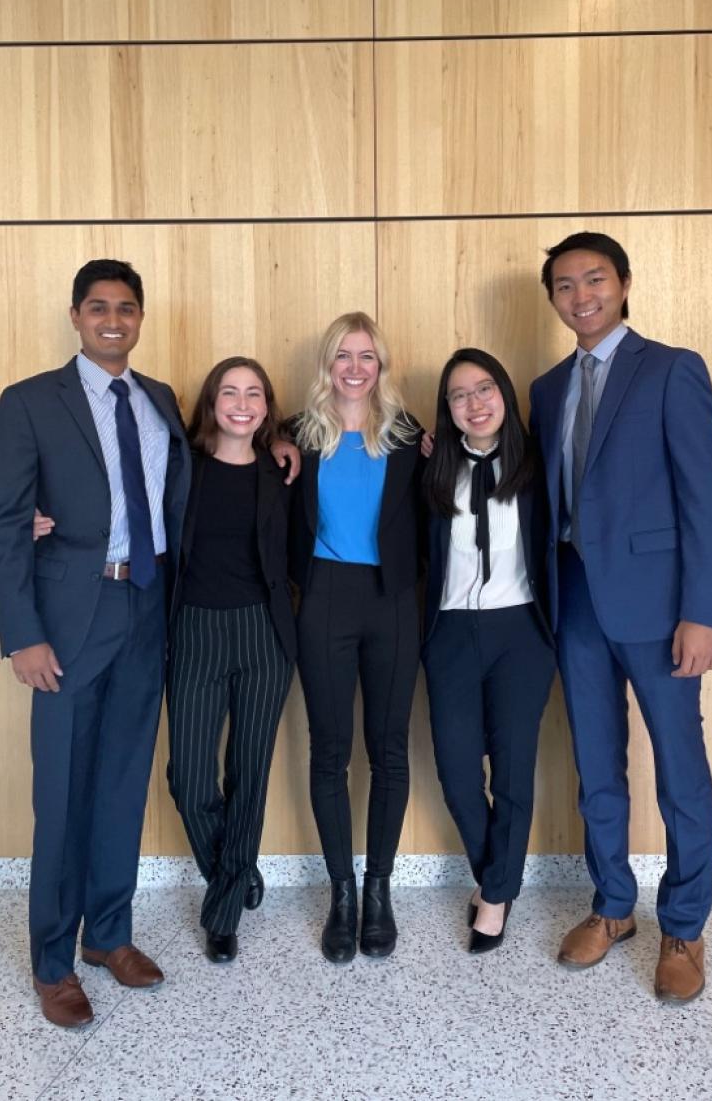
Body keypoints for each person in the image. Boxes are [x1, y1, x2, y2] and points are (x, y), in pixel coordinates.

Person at [0, 259, 190, 1028]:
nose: (113, 319)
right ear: (75, 315)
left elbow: (183, 489)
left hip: (146, 606)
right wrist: (23, 634)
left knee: (123, 779)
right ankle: (51, 960)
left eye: (127, 308)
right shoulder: (31, 402)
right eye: (98, 306)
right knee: (63, 790)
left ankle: (109, 934)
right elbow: (4, 523)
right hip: (69, 618)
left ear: (141, 317)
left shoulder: (161, 400)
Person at [528, 231, 712, 1003]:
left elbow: (705, 497)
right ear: (553, 298)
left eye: (595, 280)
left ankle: (684, 923)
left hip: (659, 604)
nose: (581, 296)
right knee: (596, 765)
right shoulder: (548, 388)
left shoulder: (673, 369)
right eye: (566, 286)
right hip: (575, 597)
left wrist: (703, 612)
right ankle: (613, 906)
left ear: (623, 283)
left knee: (680, 768)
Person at [289, 312, 422, 962]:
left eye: (366, 355)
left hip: (393, 599)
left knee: (389, 749)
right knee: (329, 750)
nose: (354, 366)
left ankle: (378, 891)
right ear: (328, 364)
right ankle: (341, 894)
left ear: (381, 365)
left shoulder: (409, 438)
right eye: (343, 354)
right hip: (324, 599)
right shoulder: (293, 439)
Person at [421, 348, 556, 954]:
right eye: (458, 395)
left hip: (520, 633)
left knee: (513, 772)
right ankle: (495, 876)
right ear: (446, 411)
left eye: (484, 390)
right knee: (455, 773)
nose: (474, 404)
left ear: (505, 393)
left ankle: (495, 899)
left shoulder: (540, 465)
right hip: (449, 632)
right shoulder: (428, 469)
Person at [165, 358, 296, 965]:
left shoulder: (283, 470)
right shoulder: (180, 467)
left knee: (249, 774)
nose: (241, 404)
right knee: (189, 778)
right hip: (193, 628)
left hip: (263, 634)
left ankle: (222, 916)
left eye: (253, 394)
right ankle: (235, 872)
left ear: (268, 406)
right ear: (210, 402)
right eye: (228, 392)